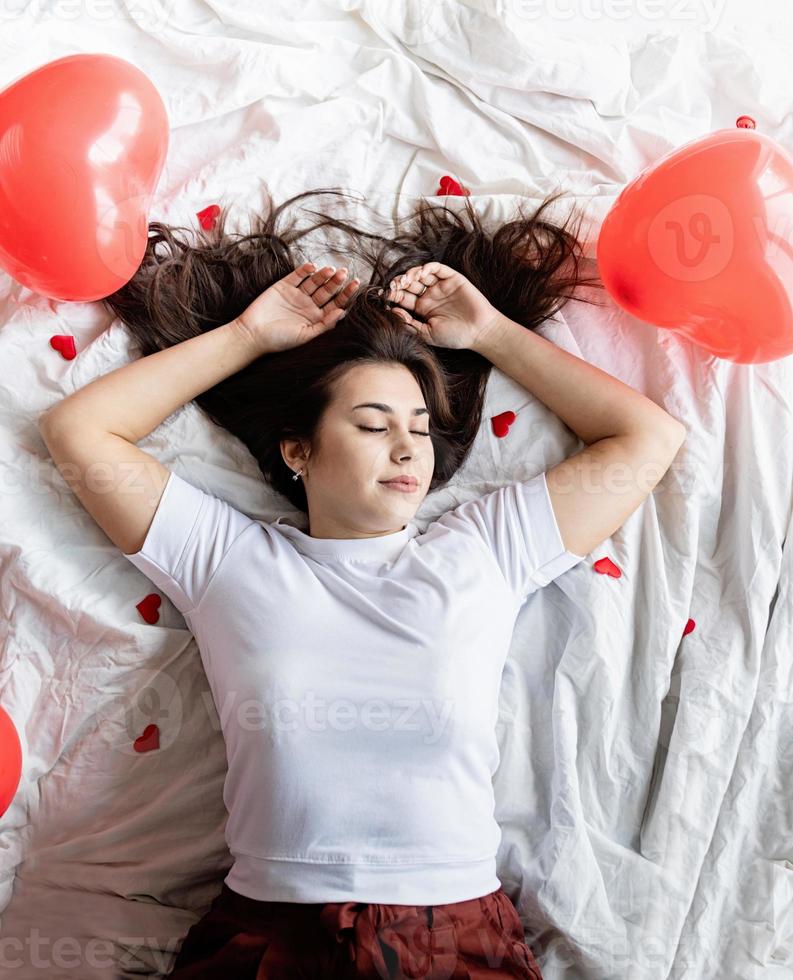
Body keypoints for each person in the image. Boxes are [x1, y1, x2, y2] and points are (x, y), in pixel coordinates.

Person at [39, 188, 685, 978]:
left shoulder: (483, 552)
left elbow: (646, 438)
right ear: (298, 452)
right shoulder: (229, 561)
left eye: (419, 428)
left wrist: (489, 334)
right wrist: (247, 336)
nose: (407, 450)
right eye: (374, 426)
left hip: (453, 934)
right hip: (272, 931)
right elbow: (78, 431)